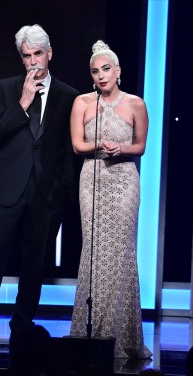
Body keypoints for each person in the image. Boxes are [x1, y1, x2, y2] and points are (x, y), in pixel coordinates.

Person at [0, 24, 79, 355]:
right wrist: (24, 101)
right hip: (8, 190)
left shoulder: (68, 95)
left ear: (50, 53)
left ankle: (21, 331)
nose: (33, 63)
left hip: (47, 192)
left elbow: (66, 151)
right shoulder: (5, 88)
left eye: (38, 54)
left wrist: (66, 193)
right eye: (26, 56)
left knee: (35, 266)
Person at [69, 40, 152, 359]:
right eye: (95, 71)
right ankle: (91, 331)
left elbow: (141, 146)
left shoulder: (136, 104)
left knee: (120, 251)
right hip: (92, 179)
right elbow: (77, 144)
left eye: (106, 69)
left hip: (124, 181)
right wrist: (97, 147)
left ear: (118, 71)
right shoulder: (82, 102)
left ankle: (123, 335)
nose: (101, 75)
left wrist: (121, 149)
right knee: (93, 250)